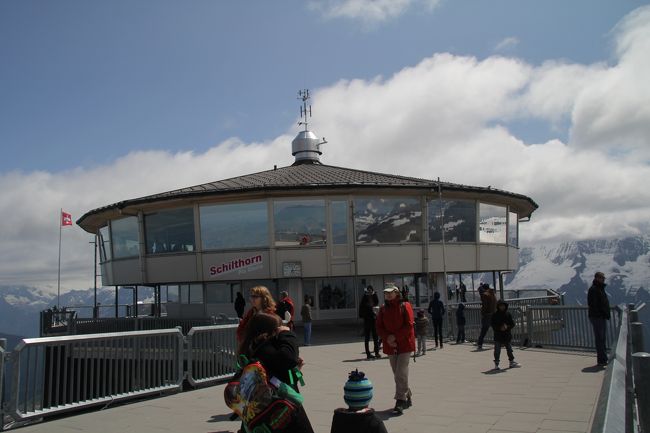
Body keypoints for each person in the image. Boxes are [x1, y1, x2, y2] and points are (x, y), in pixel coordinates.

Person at [238, 312, 314, 433]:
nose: (279, 333)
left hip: (265, 414)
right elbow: (288, 357)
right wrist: (287, 334)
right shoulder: (264, 349)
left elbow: (275, 378)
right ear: (267, 333)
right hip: (280, 414)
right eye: (277, 329)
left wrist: (295, 372)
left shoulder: (255, 348)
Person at [376, 283, 415, 414]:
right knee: (397, 374)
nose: (388, 295)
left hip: (405, 344)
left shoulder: (405, 306)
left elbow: (409, 325)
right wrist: (388, 338)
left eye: (390, 292)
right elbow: (379, 327)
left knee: (400, 372)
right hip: (390, 345)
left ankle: (400, 400)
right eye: (386, 293)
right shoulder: (382, 309)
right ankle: (407, 393)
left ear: (396, 293)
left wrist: (395, 337)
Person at [588, 271, 611, 366]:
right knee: (600, 338)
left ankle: (603, 358)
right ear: (597, 278)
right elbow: (594, 304)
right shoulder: (594, 289)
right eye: (602, 278)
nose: (604, 279)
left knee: (601, 339)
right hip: (598, 317)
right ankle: (602, 360)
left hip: (599, 317)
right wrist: (601, 314)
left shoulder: (599, 288)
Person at [491, 300, 520, 370]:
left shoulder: (508, 314)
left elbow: (512, 324)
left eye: (503, 305)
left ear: (505, 306)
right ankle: (496, 364)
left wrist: (507, 327)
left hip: (507, 335)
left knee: (509, 349)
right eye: (500, 306)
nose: (502, 307)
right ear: (498, 306)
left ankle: (511, 362)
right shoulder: (495, 315)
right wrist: (499, 328)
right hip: (498, 335)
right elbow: (492, 325)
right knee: (497, 350)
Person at [359, 285, 381, 359]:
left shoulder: (375, 296)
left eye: (371, 290)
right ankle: (368, 354)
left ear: (372, 290)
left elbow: (377, 304)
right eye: (368, 290)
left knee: (375, 337)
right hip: (367, 320)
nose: (369, 291)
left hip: (374, 319)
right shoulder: (364, 297)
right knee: (367, 338)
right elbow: (361, 308)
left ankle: (377, 353)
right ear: (367, 291)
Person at [476, 284, 497, 350]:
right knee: (496, 329)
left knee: (484, 330)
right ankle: (499, 343)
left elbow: (485, 305)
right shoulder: (493, 293)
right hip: (494, 313)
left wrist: (483, 313)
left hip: (487, 314)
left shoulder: (485, 295)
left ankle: (480, 344)